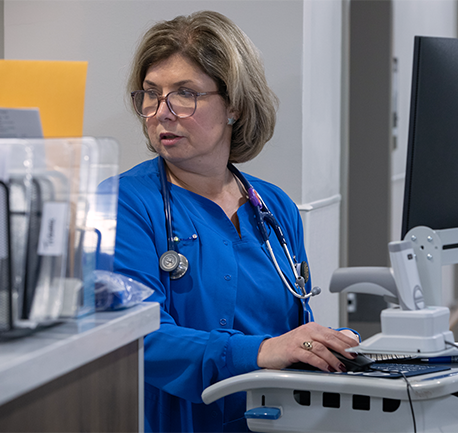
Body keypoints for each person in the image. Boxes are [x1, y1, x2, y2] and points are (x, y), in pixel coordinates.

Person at [113, 11, 359, 433]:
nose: (161, 113)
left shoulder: (274, 207)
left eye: (185, 94)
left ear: (235, 106)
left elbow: (290, 335)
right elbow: (136, 339)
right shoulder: (124, 204)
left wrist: (326, 346)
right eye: (151, 94)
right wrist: (261, 351)